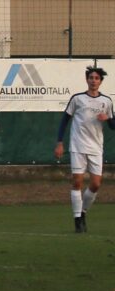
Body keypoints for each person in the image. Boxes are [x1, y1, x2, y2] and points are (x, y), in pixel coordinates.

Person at [54, 66, 115, 233]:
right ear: (87, 80)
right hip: (78, 145)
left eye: (96, 78)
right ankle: (77, 220)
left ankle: (83, 211)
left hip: (96, 147)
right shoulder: (77, 99)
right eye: (91, 77)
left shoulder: (107, 101)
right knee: (77, 181)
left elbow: (113, 125)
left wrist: (108, 118)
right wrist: (59, 142)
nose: (93, 80)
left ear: (101, 81)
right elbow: (64, 120)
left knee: (95, 184)